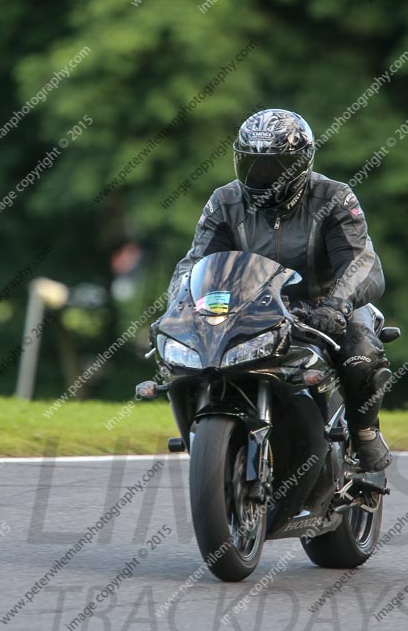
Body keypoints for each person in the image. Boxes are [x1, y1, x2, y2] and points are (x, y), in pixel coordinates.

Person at [166, 108, 391, 472]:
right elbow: (196, 263)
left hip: (329, 302)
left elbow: (358, 261)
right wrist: (179, 305)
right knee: (197, 362)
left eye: (274, 167)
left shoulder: (335, 196)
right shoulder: (224, 201)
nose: (263, 175)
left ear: (301, 164)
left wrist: (336, 304)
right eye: (253, 165)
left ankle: (364, 432)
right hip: (255, 308)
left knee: (360, 354)